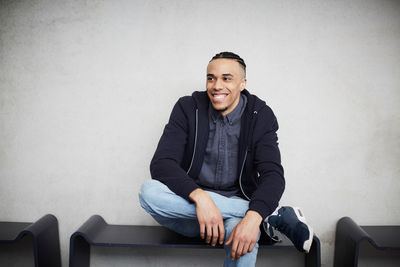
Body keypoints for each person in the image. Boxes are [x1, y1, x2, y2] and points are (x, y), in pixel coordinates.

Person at [139, 52, 313, 266]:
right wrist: (201, 198)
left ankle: (254, 215)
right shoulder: (187, 108)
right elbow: (162, 164)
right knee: (149, 193)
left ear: (243, 83)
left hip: (235, 215)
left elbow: (273, 175)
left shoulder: (261, 115)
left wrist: (253, 216)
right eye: (211, 78)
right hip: (192, 211)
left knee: (244, 234)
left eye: (226, 78)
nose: (216, 85)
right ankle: (273, 216)